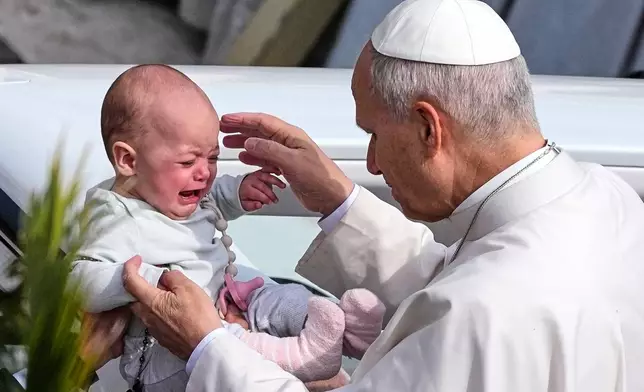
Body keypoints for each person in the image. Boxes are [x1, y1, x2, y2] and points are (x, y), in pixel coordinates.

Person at [108, 0, 644, 390]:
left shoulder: (482, 315)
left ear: (428, 128)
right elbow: (461, 276)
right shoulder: (609, 202)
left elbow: (473, 300)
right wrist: (338, 200)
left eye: (374, 135)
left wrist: (208, 347)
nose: (370, 164)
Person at [69, 64, 385, 391]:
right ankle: (305, 355)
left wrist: (236, 192)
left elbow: (211, 200)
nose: (204, 172)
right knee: (228, 343)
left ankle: (345, 330)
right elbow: (77, 277)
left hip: (226, 299)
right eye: (188, 161)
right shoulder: (116, 216)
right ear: (128, 161)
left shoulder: (167, 192)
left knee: (275, 295)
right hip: (166, 353)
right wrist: (140, 280)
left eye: (213, 158)